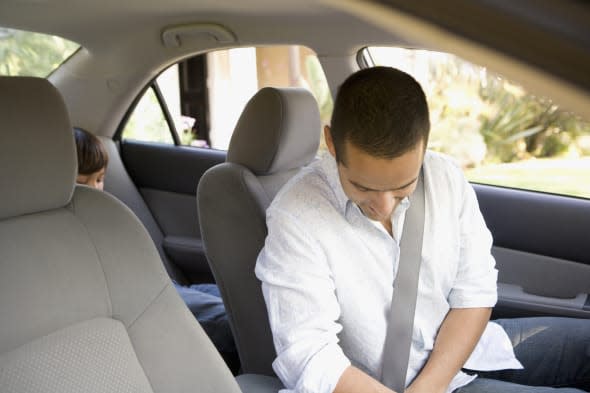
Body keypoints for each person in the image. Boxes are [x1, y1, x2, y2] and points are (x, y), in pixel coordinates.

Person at [255, 67, 590, 393]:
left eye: (403, 188)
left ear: (425, 146)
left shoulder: (444, 178)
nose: (383, 207)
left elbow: (474, 292)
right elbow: (310, 355)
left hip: (463, 355)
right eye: (362, 187)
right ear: (331, 142)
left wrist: (432, 384)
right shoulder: (295, 216)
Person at [73, 128, 238, 370]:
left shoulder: (101, 213)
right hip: (141, 301)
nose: (96, 189)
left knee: (240, 302)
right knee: (233, 323)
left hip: (161, 286)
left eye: (99, 179)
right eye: (81, 182)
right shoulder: (65, 230)